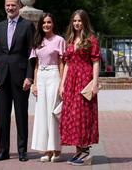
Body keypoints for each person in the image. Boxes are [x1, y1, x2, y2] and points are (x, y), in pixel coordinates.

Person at [0, 0, 35, 162]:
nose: (10, 8)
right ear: (5, 6)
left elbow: (32, 53)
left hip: (20, 77)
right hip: (2, 77)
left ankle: (22, 150)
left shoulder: (27, 26)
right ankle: (4, 150)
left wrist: (29, 77)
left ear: (19, 6)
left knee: (21, 115)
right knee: (3, 116)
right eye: (8, 5)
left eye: (13, 5)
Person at [59, 9, 100, 166]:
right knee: (73, 115)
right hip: (71, 81)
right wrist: (62, 84)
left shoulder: (91, 39)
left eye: (79, 21)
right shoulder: (70, 40)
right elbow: (67, 64)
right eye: (74, 21)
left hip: (84, 78)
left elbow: (96, 61)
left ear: (84, 22)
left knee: (83, 114)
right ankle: (79, 151)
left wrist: (95, 82)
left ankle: (85, 152)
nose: (76, 23)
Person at [30, 13, 65, 162]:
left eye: (49, 22)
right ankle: (46, 149)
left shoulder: (59, 40)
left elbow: (62, 63)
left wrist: (62, 83)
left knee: (53, 113)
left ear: (53, 24)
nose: (46, 25)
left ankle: (56, 150)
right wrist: (34, 83)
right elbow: (36, 65)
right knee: (42, 113)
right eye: (44, 22)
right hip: (42, 77)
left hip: (54, 75)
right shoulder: (37, 41)